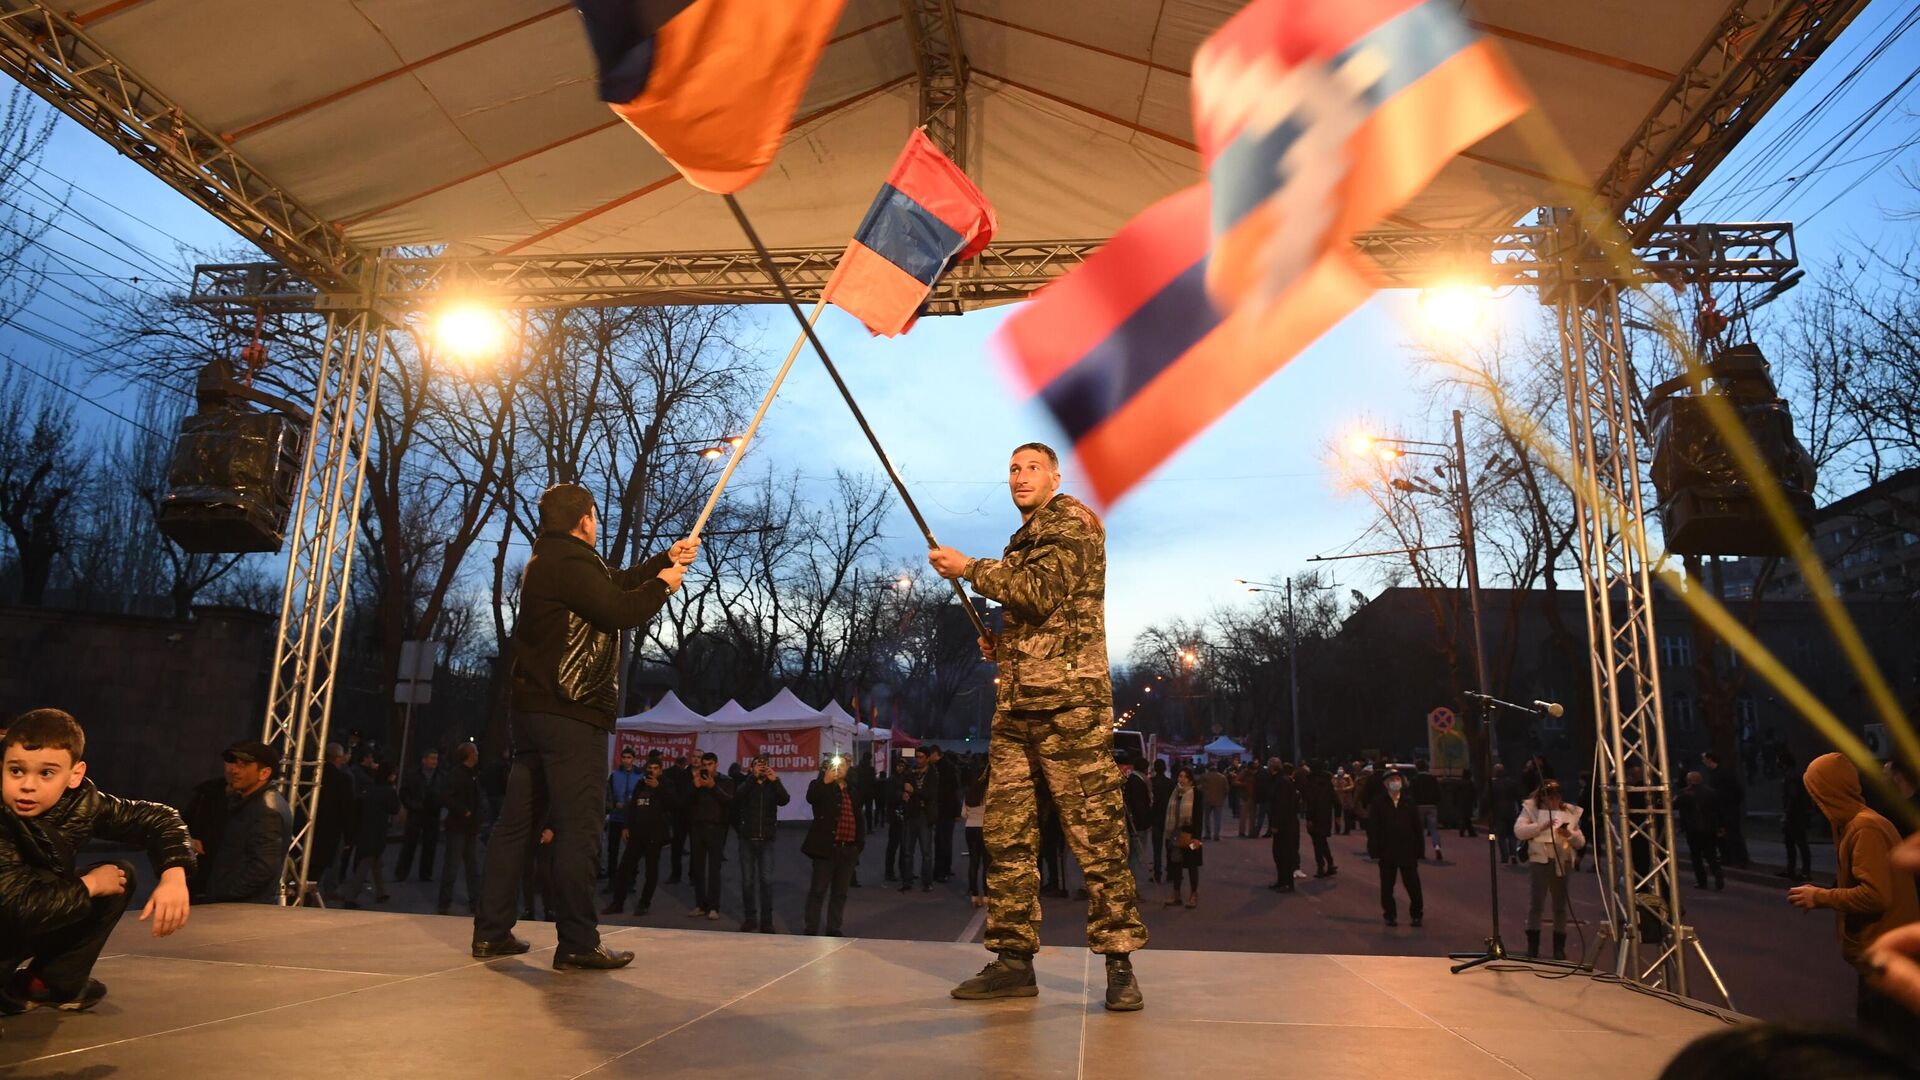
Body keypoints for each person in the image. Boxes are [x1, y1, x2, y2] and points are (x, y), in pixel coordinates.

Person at [931, 441, 1145, 1012]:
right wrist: (1004, 645)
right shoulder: (1024, 539)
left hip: (1069, 708)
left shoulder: (1071, 520)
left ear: (1054, 476)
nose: (1019, 477)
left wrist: (968, 567)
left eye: (1031, 468)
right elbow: (1046, 617)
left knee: (1095, 838)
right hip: (1020, 707)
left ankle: (1120, 966)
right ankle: (1012, 961)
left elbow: (1040, 590)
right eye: (1012, 469)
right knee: (1007, 838)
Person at [472, 483, 694, 971]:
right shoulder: (570, 564)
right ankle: (576, 940)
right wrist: (664, 585)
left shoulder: (551, 561)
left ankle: (491, 931)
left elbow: (611, 584)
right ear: (585, 520)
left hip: (535, 712)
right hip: (570, 711)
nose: (598, 522)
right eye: (596, 515)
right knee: (580, 828)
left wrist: (664, 557)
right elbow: (620, 609)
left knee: (516, 825)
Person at [0, 709, 194, 1014]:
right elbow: (16, 906)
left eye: (46, 773)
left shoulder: (82, 803)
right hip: (12, 915)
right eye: (16, 771)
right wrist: (88, 885)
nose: (28, 785)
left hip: (26, 918)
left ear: (74, 775)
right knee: (70, 882)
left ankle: (49, 983)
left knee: (119, 875)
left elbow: (160, 818)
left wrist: (173, 875)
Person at [1788, 753, 1919, 1053]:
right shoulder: (1856, 825)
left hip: (1887, 957)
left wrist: (1818, 896)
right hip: (1880, 954)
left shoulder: (1865, 828)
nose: (1813, 801)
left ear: (1828, 791)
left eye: (1815, 792)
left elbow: (1875, 895)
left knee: (1890, 1049)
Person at [198, 740, 295, 905]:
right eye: (233, 763)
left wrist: (223, 893)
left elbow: (263, 868)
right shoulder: (248, 802)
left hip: (243, 908)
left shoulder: (266, 810)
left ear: (264, 773)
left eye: (243, 765)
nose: (234, 770)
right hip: (235, 904)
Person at [1514, 779, 1585, 960]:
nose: (1553, 801)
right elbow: (1519, 831)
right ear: (1542, 797)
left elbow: (1581, 842)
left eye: (1556, 797)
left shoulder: (1568, 811)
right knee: (1536, 904)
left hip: (1562, 860)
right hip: (1540, 861)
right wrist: (1540, 826)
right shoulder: (1531, 809)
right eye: (1549, 798)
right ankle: (1533, 946)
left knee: (1560, 906)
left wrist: (1568, 833)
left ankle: (1559, 948)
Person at [803, 755, 864, 937]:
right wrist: (825, 782)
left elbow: (858, 816)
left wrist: (858, 844)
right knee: (818, 890)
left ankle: (834, 927)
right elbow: (812, 798)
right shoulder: (820, 785)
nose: (840, 768)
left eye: (843, 765)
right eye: (836, 765)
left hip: (848, 849)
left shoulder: (852, 790)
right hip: (826, 848)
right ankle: (811, 928)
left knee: (840, 892)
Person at [606, 754, 674, 916]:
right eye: (649, 768)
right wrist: (626, 826)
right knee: (624, 869)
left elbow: (673, 804)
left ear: (661, 770)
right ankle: (618, 903)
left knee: (651, 871)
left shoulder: (666, 784)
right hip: (636, 833)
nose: (652, 771)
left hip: (654, 834)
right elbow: (632, 807)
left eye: (655, 768)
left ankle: (644, 903)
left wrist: (659, 788)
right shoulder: (640, 783)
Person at [735, 752, 789, 933]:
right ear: (751, 767)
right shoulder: (747, 784)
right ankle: (750, 918)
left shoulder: (771, 785)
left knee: (766, 881)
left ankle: (767, 921)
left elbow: (785, 800)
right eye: (758, 765)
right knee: (747, 882)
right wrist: (752, 778)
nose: (762, 767)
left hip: (766, 839)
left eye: (764, 765)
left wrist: (776, 781)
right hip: (747, 839)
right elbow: (738, 798)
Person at [1367, 769, 1425, 928]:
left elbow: (1417, 828)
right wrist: (1373, 849)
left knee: (1413, 885)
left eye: (1397, 779)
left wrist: (1420, 850)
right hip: (1387, 850)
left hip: (1407, 850)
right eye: (1392, 779)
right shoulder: (1379, 802)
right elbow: (1373, 828)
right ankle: (1390, 915)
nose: (1395, 782)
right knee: (1387, 886)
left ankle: (1417, 914)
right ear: (1386, 783)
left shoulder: (1409, 802)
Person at [437, 743, 485, 916]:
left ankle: (475, 900)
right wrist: (463, 810)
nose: (478, 754)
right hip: (458, 826)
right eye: (476, 751)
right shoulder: (457, 775)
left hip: (470, 826)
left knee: (473, 867)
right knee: (452, 865)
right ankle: (444, 902)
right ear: (471, 754)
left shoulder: (474, 774)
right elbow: (445, 797)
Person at [342, 765, 399, 908]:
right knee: (366, 863)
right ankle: (351, 897)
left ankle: (381, 892)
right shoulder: (388, 791)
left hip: (365, 829)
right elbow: (395, 809)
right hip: (377, 830)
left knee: (375, 862)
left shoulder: (369, 789)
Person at [313, 742, 355, 900]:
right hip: (332, 828)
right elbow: (347, 809)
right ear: (339, 758)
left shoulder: (312, 774)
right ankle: (325, 890)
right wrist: (350, 834)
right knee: (330, 861)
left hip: (310, 825)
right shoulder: (343, 779)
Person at [394, 748, 441, 882]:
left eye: (436, 759)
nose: (434, 762)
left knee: (429, 846)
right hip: (416, 813)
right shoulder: (413, 775)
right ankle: (402, 872)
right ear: (424, 760)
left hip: (432, 814)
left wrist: (438, 803)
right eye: (432, 758)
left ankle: (426, 874)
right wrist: (412, 805)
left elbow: (444, 792)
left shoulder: (440, 776)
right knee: (409, 844)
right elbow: (404, 793)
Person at [1162, 766, 1205, 908]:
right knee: (1176, 865)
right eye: (1180, 776)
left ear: (1190, 779)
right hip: (1175, 835)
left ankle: (1193, 895)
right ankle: (1177, 895)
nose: (1182, 779)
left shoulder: (1196, 793)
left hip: (1191, 836)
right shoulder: (1175, 793)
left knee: (1192, 865)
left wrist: (1197, 837)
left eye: (1185, 777)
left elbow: (1198, 817)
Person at [1675, 770, 1725, 891]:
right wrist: (1720, 826)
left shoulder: (1685, 793)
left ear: (1689, 780)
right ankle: (1717, 872)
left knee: (1696, 856)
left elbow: (1674, 805)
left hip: (1693, 828)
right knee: (1711, 854)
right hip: (1709, 828)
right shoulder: (1711, 792)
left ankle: (1702, 881)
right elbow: (1718, 811)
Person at [1704, 750, 1749, 868]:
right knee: (1723, 834)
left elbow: (1735, 791)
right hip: (1723, 809)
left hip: (1727, 809)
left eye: (1705, 759)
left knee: (1732, 833)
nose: (1703, 762)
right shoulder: (1718, 774)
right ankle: (1729, 857)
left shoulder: (1721, 774)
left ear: (1709, 759)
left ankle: (1738, 858)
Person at [895, 756, 933, 892]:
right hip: (911, 814)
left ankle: (927, 881)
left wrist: (914, 791)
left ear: (927, 759)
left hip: (924, 815)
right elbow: (899, 788)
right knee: (907, 850)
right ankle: (907, 880)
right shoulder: (910, 773)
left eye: (921, 757)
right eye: (917, 757)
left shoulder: (932, 774)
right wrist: (902, 794)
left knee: (926, 852)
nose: (918, 760)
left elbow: (931, 794)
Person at [604, 747, 642, 885]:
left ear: (634, 759)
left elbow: (642, 795)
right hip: (616, 817)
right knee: (612, 851)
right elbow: (608, 794)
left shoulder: (639, 775)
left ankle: (631, 881)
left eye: (629, 757)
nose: (626, 760)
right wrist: (614, 804)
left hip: (632, 819)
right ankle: (612, 880)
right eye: (624, 757)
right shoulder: (615, 775)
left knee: (632, 851)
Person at [1779, 749, 1814, 883]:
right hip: (1797, 814)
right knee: (1793, 842)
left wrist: (1787, 813)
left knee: (1798, 842)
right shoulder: (1795, 775)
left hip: (1795, 816)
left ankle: (1803, 871)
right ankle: (1794, 869)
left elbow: (1792, 797)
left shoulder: (1791, 777)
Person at [1268, 761, 1300, 892]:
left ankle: (1287, 882)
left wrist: (1275, 824)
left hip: (1285, 824)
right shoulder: (1283, 780)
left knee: (1283, 853)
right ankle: (1282, 881)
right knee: (1280, 853)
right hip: (1287, 822)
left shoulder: (1282, 782)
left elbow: (1281, 805)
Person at [1301, 763, 1337, 878]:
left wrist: (1309, 818)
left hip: (1315, 817)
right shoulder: (1328, 783)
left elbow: (1310, 802)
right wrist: (1338, 815)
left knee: (1317, 843)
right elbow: (1335, 800)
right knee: (1323, 841)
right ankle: (1330, 864)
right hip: (1326, 816)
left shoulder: (1310, 783)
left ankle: (1321, 867)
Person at [1121, 755, 1152, 882]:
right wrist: (1145, 822)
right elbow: (1139, 806)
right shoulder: (1138, 782)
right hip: (1138, 825)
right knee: (1137, 856)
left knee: (1134, 854)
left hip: (1134, 824)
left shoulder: (1132, 780)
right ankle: (1133, 886)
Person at [964, 764, 990, 908]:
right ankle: (986, 895)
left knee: (973, 862)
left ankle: (974, 895)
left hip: (970, 828)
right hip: (984, 827)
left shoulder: (969, 792)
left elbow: (964, 813)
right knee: (986, 863)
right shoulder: (988, 792)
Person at [1487, 763, 1523, 863]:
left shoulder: (1493, 784)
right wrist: (1520, 809)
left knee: (1501, 836)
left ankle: (1504, 855)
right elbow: (1518, 797)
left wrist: (1488, 812)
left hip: (1498, 812)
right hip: (1511, 811)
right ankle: (1513, 854)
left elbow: (1488, 799)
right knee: (1512, 834)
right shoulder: (1511, 783)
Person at [664, 754, 692, 884]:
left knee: (680, 847)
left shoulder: (669, 773)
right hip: (681, 814)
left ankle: (679, 875)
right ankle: (682, 875)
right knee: (678, 847)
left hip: (682, 814)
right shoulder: (683, 775)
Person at [1411, 759, 1443, 861]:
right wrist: (1435, 801)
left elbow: (1411, 794)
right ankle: (1437, 848)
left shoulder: (1415, 779)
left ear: (1417, 768)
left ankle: (1420, 852)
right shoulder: (1433, 779)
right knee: (1433, 829)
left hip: (1419, 806)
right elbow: (1438, 793)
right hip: (1432, 806)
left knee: (1419, 830)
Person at [1147, 759, 1173, 884]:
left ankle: (1157, 874)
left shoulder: (1151, 783)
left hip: (1155, 817)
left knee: (1157, 848)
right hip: (1168, 817)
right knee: (1169, 847)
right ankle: (1170, 872)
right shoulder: (1170, 783)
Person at [1199, 764, 1229, 842]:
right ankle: (1216, 835)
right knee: (1217, 819)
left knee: (1207, 818)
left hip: (1207, 800)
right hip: (1218, 800)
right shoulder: (1222, 777)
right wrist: (1223, 797)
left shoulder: (1204, 776)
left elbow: (1198, 786)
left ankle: (1208, 834)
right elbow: (1226, 789)